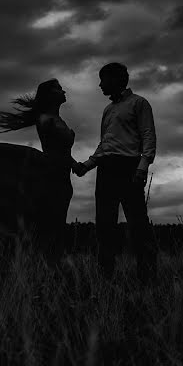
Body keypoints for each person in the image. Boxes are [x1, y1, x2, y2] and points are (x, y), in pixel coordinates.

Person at [73, 62, 157, 281]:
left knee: (138, 224)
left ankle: (147, 277)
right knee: (104, 225)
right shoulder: (108, 110)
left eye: (103, 80)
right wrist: (87, 165)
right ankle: (105, 276)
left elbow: (148, 135)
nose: (100, 85)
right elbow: (105, 144)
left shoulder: (139, 103)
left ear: (116, 79)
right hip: (106, 170)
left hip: (129, 167)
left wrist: (142, 168)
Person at [0, 78, 78, 257]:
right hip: (52, 179)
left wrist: (74, 164)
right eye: (59, 89)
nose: (64, 92)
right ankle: (46, 265)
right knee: (51, 228)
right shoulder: (45, 120)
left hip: (63, 179)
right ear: (50, 95)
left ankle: (48, 266)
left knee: (57, 226)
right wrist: (68, 163)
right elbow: (53, 153)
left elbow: (62, 151)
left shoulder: (58, 119)